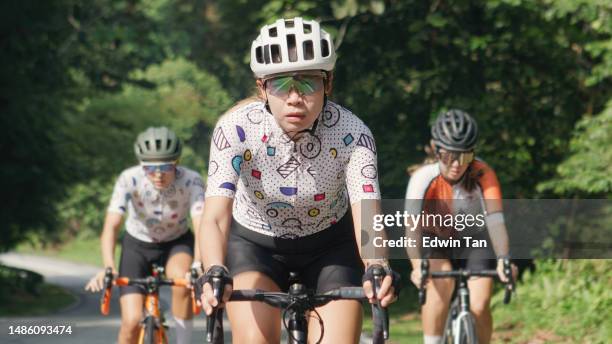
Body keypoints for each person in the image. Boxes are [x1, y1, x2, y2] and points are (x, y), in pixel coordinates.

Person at [197, 17, 399, 343]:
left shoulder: (353, 133)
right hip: (254, 246)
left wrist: (377, 265)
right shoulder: (235, 129)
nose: (294, 97)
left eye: (308, 83)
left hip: (330, 247)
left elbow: (367, 211)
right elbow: (216, 217)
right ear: (262, 87)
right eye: (280, 84)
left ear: (328, 84)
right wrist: (213, 270)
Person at [405, 109, 518, 344]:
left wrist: (504, 259)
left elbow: (496, 222)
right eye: (448, 156)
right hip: (434, 238)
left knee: (480, 303)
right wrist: (417, 266)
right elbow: (411, 230)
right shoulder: (423, 178)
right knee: (440, 280)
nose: (457, 164)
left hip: (472, 239)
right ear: (436, 150)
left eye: (465, 157)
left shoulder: (483, 174)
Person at [85, 127, 205, 344]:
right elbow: (111, 226)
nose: (158, 174)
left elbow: (201, 223)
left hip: (176, 242)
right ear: (142, 165)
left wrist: (197, 263)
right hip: (137, 245)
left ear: (176, 163)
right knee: (131, 321)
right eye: (150, 168)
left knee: (183, 280)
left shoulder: (191, 180)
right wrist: (108, 266)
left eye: (166, 167)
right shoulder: (129, 179)